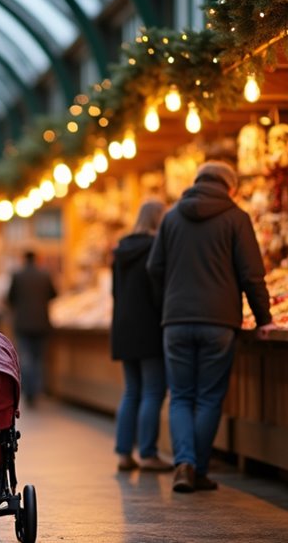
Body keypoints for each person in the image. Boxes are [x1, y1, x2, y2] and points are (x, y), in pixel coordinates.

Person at [147, 161, 275, 493]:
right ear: (230, 187)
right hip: (219, 322)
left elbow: (154, 267)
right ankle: (197, 469)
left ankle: (184, 464)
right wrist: (264, 319)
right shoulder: (236, 218)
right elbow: (252, 275)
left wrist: (169, 303)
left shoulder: (171, 218)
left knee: (180, 397)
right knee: (207, 398)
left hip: (175, 322)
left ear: (196, 181)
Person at [111, 200, 174, 473]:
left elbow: (115, 292)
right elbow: (159, 290)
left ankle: (125, 453)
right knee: (153, 391)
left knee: (132, 391)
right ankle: (148, 453)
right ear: (159, 220)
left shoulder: (121, 250)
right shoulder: (156, 248)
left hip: (124, 327)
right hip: (150, 326)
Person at [6, 249, 58, 407]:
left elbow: (10, 299)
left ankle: (28, 391)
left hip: (22, 323)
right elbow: (54, 295)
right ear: (37, 259)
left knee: (26, 357)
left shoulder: (17, 275)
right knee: (39, 358)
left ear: (23, 259)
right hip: (41, 322)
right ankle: (37, 389)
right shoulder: (45, 275)